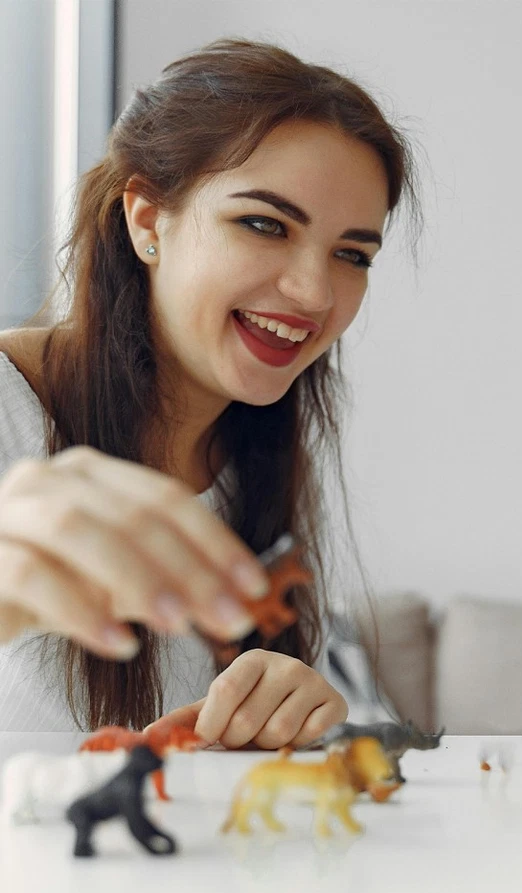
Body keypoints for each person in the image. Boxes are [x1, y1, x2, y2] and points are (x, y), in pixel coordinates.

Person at [0, 38, 417, 748]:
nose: (315, 293)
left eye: (351, 254)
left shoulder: (258, 456)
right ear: (146, 218)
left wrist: (297, 714)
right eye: (263, 224)